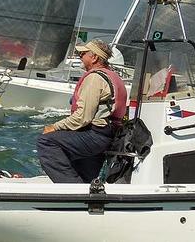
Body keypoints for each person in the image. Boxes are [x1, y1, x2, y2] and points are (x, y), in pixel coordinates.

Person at [37, 39, 128, 183]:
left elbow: (83, 117)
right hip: (108, 135)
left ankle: (73, 190)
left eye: (83, 53)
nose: (80, 56)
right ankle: (84, 194)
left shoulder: (94, 78)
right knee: (85, 177)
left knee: (46, 142)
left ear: (94, 57)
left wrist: (54, 127)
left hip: (96, 135)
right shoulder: (113, 76)